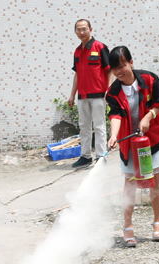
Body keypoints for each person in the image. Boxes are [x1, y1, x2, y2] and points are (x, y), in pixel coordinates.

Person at [106, 46, 159, 248]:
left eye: (122, 65)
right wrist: (114, 135)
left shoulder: (149, 79)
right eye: (114, 68)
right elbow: (115, 115)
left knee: (155, 183)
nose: (119, 71)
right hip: (130, 144)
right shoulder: (113, 91)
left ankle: (157, 223)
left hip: (152, 140)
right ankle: (127, 227)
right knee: (129, 185)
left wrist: (148, 116)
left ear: (131, 63)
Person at [67, 19, 112, 168]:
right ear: (75, 32)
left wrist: (108, 89)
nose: (81, 32)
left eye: (84, 29)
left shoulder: (100, 47)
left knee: (99, 126)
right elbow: (77, 74)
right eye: (78, 29)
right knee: (84, 126)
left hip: (98, 94)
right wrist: (72, 94)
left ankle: (101, 156)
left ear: (90, 29)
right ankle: (85, 156)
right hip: (83, 96)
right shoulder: (77, 51)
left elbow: (109, 69)